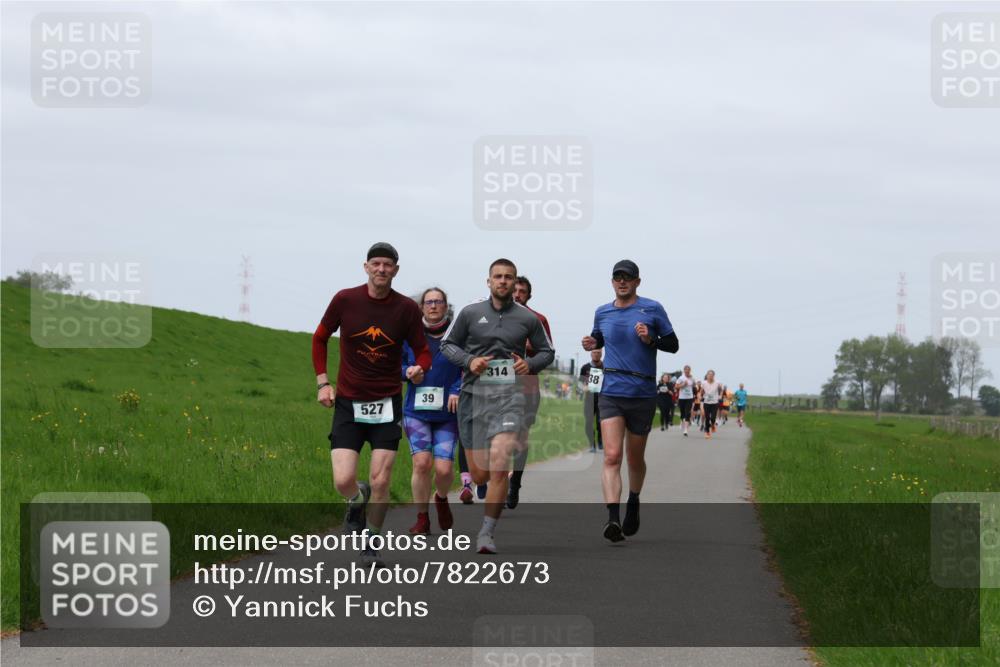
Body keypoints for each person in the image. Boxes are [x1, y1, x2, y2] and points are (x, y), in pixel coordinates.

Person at [312, 242, 431, 564]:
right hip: (349, 401)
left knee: (382, 479)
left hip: (387, 403)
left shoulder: (406, 308)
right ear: (366, 267)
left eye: (388, 265)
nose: (381, 269)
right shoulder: (345, 300)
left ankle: (371, 543)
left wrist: (420, 367)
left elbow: (422, 349)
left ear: (396, 270)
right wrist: (323, 382)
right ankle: (355, 498)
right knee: (342, 479)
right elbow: (320, 337)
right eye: (376, 264)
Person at [441, 259, 554, 554]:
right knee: (480, 474)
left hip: (509, 398)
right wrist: (469, 361)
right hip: (473, 398)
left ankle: (487, 533)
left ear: (515, 284)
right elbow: (447, 345)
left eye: (509, 278)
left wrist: (528, 364)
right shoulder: (470, 313)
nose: (503, 282)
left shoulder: (528, 319)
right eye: (498, 277)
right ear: (488, 281)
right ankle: (485, 487)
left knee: (501, 461)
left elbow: (547, 352)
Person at [582, 260, 678, 543]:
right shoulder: (603, 312)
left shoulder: (652, 309)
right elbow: (598, 339)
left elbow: (673, 345)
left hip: (642, 391)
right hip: (612, 391)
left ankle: (633, 501)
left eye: (627, 278)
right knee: (612, 456)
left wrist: (651, 340)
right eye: (617, 277)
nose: (622, 282)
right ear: (612, 281)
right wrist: (591, 343)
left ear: (638, 281)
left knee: (635, 458)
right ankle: (612, 518)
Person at [401, 287, 463, 534]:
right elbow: (398, 364)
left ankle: (441, 496)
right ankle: (422, 518)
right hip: (416, 411)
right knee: (422, 464)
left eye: (439, 301)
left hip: (447, 413)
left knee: (445, 469)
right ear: (422, 306)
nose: (434, 306)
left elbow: (466, 366)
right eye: (429, 302)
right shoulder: (411, 335)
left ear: (446, 306)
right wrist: (407, 373)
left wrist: (457, 389)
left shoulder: (457, 336)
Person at [507, 275, 553, 510]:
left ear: (528, 295)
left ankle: (515, 481)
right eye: (514, 290)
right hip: (496, 387)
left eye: (522, 291)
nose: (516, 294)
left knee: (519, 437)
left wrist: (529, 351)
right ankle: (497, 479)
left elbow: (547, 353)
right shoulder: (494, 316)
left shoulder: (538, 319)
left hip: (526, 386)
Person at [579, 349, 605, 452]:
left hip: (602, 398)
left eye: (598, 352)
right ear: (591, 353)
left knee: (601, 422)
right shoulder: (585, 367)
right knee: (588, 422)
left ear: (601, 354)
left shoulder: (605, 367)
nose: (596, 354)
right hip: (589, 399)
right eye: (594, 352)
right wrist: (583, 387)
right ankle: (591, 444)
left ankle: (600, 441)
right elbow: (580, 383)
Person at [700, 371, 723, 439]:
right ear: (707, 375)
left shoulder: (717, 383)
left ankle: (713, 425)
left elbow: (721, 390)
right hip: (706, 402)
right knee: (707, 418)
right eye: (709, 375)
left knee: (713, 418)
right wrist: (700, 395)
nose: (710, 376)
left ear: (714, 376)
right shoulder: (704, 383)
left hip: (714, 403)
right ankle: (707, 432)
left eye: (711, 375)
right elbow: (701, 391)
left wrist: (720, 396)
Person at [675, 365, 696, 437]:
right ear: (684, 370)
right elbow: (676, 386)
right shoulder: (681, 378)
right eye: (686, 370)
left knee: (688, 413)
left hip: (689, 397)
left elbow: (693, 386)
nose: (687, 371)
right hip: (682, 398)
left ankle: (686, 429)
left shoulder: (692, 378)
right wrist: (683, 384)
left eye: (688, 370)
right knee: (682, 412)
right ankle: (682, 421)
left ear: (690, 371)